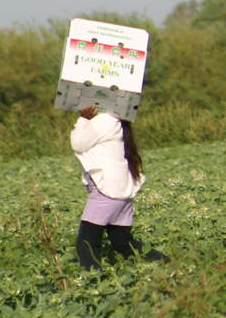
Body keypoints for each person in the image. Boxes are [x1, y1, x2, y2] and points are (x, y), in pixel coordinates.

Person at [72, 106, 169, 270]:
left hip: (106, 193)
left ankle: (91, 280)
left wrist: (83, 119)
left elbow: (77, 144)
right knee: (123, 243)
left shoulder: (104, 120)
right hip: (121, 192)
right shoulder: (115, 121)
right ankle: (169, 264)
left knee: (87, 243)